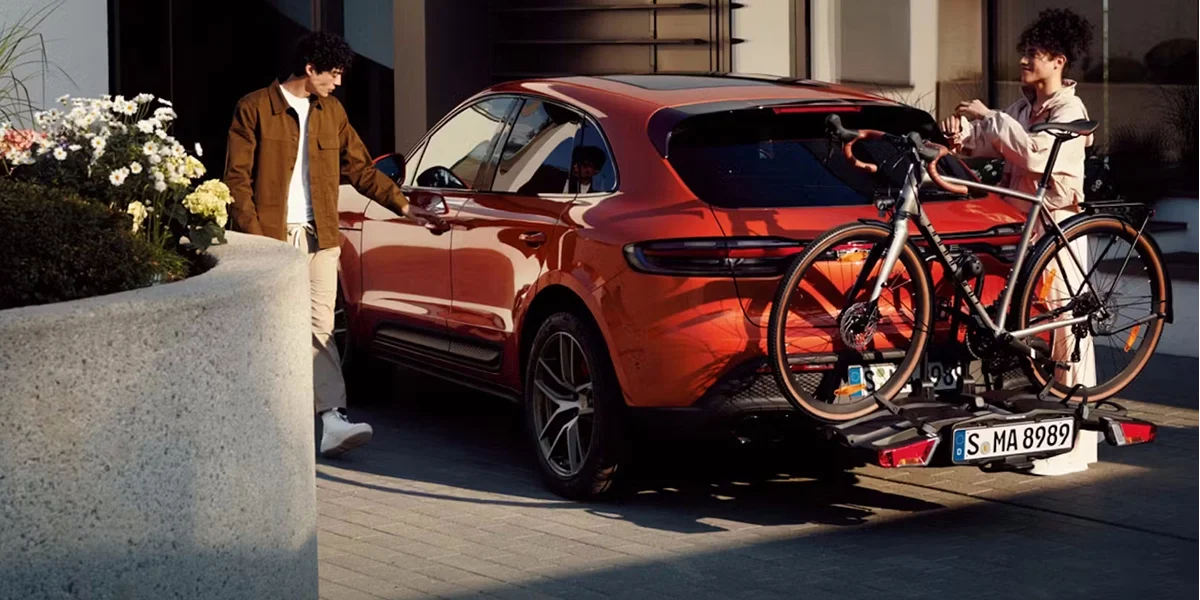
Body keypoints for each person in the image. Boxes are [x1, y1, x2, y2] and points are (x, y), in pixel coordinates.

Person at [224, 32, 443, 457]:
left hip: (321, 236)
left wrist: (403, 205)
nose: (338, 82)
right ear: (311, 68)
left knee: (320, 328)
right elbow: (236, 179)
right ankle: (259, 417)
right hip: (272, 238)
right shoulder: (254, 108)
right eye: (334, 74)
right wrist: (254, 239)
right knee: (267, 330)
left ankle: (331, 418)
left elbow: (361, 169)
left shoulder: (333, 112)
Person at [940, 8, 1096, 389]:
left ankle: (1074, 410)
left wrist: (989, 115)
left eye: (1034, 53)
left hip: (1056, 229)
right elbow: (988, 140)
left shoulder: (1070, 110)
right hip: (1021, 227)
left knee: (1065, 326)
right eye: (1024, 52)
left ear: (1058, 62)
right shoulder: (1023, 108)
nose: (1023, 60)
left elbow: (1032, 153)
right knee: (1026, 320)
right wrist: (957, 134)